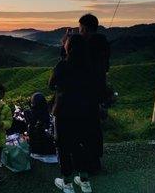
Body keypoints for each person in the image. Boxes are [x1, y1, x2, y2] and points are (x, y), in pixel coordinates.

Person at [49, 34, 94, 193]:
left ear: (68, 48)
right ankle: (84, 181)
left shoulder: (62, 65)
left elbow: (51, 84)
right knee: (80, 144)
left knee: (62, 146)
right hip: (83, 111)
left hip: (63, 111)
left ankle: (67, 183)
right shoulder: (89, 66)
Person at [78, 13, 110, 173]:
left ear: (84, 29)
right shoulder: (103, 43)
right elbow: (107, 67)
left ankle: (88, 162)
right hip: (98, 91)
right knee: (94, 126)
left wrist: (65, 45)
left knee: (85, 127)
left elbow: (72, 62)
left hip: (85, 93)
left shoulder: (87, 46)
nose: (79, 32)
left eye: (80, 29)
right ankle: (95, 159)